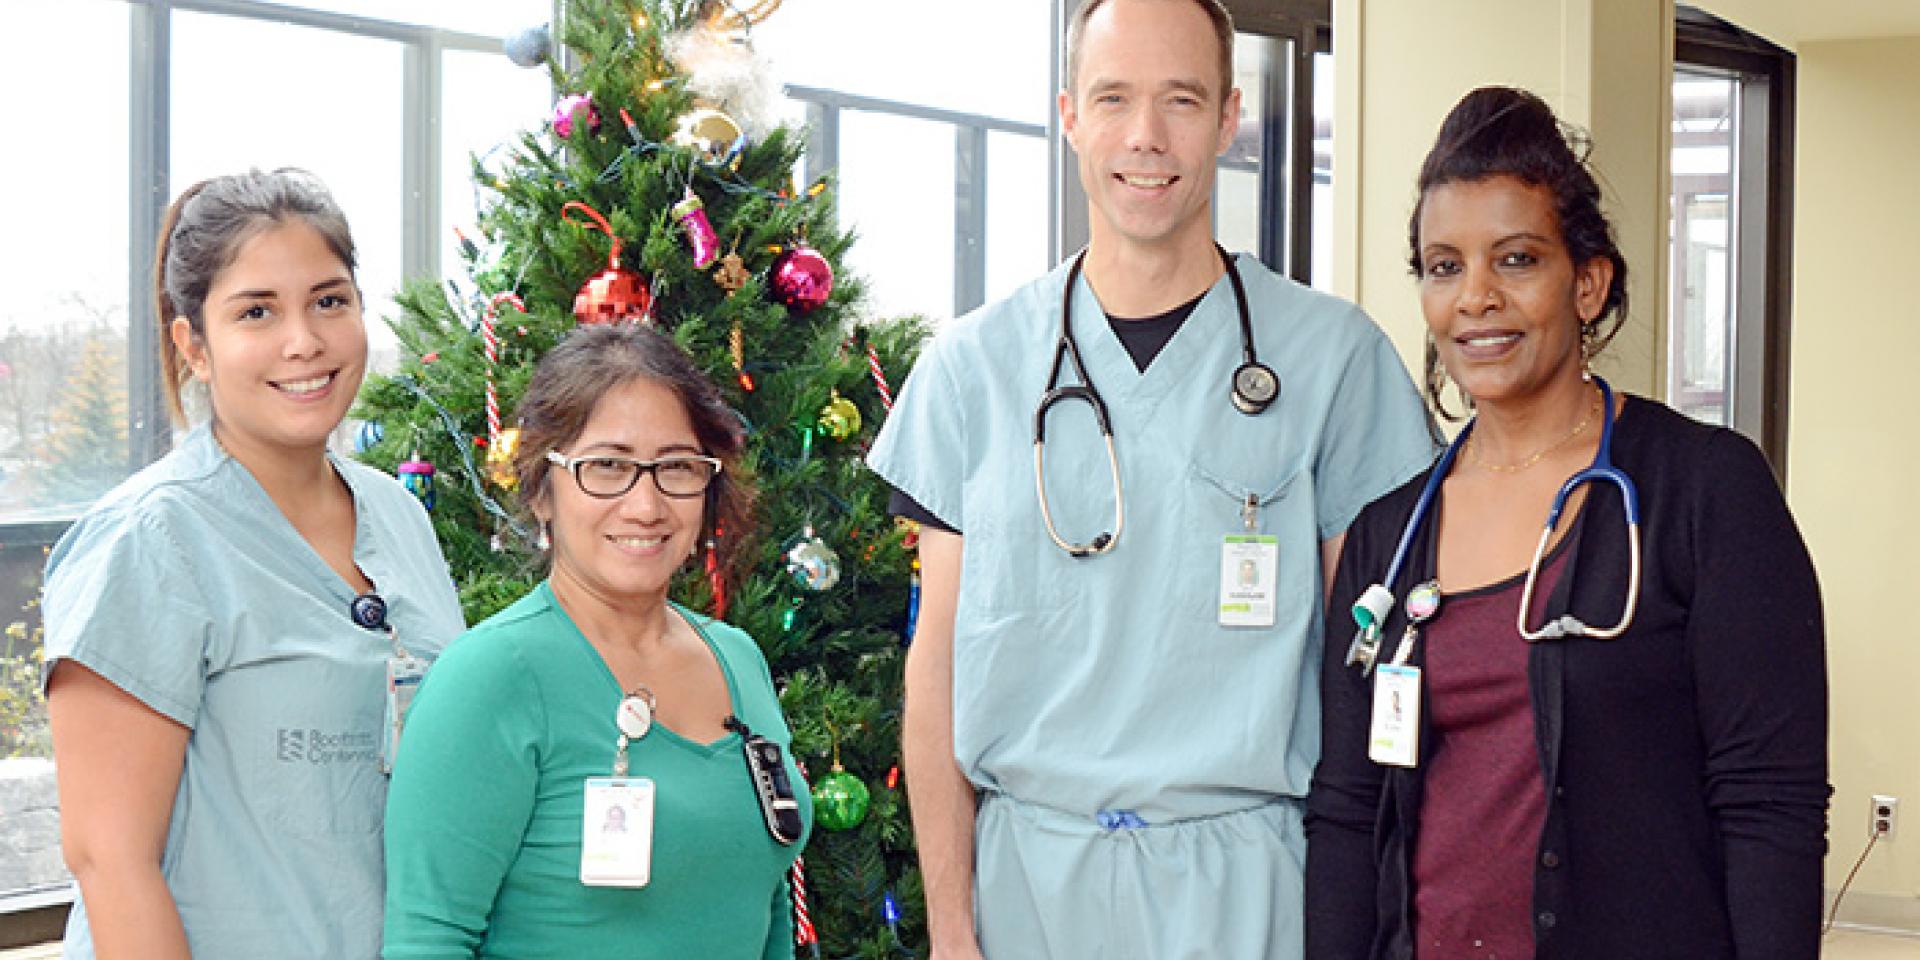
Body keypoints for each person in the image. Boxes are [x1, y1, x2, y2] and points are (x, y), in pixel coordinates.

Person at [866, 0, 1435, 955]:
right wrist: (954, 933)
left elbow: (1370, 669)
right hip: (1027, 890)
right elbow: (937, 679)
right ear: (1069, 115)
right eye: (1114, 98)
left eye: (1180, 100)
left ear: (1228, 117)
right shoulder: (973, 369)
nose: (1146, 136)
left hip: (1253, 884)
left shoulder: (1334, 362)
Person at [1304, 86, 1828, 959]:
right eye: (1443, 265)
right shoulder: (1385, 538)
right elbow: (1350, 810)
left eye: (1515, 260)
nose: (1475, 298)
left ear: (1588, 283)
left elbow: (1767, 802)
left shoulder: (1701, 492)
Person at [42, 169, 465, 959]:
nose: (304, 341)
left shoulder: (400, 516)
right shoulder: (148, 541)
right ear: (193, 346)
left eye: (329, 300)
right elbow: (110, 860)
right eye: (257, 312)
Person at [383, 324, 811, 960]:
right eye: (606, 466)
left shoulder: (737, 658)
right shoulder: (490, 677)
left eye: (676, 468)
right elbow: (429, 941)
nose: (646, 505)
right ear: (541, 489)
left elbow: (767, 908)